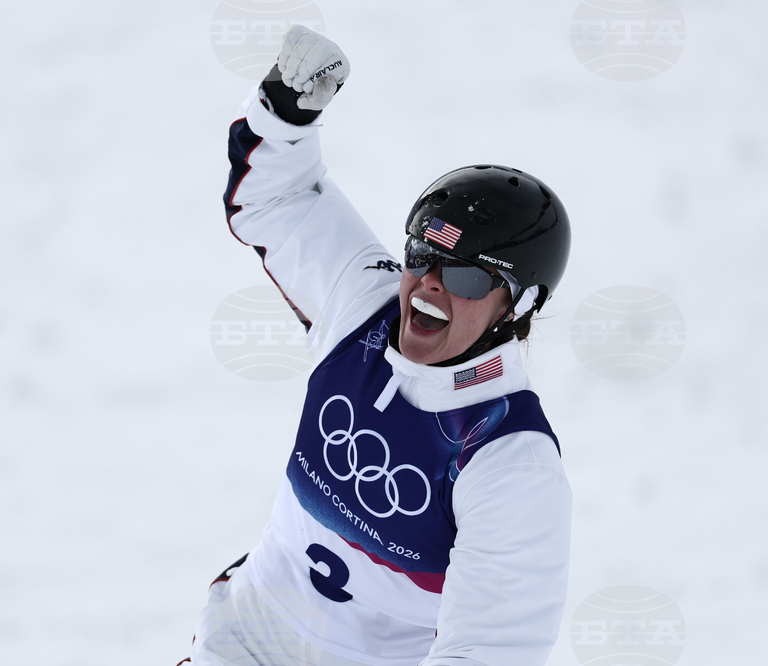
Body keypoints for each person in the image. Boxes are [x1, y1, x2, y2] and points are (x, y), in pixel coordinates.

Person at [182, 26, 572, 666]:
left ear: (519, 306)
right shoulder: (364, 303)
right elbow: (274, 199)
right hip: (244, 641)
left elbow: (489, 651)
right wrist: (287, 111)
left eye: (470, 276)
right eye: (423, 254)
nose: (429, 286)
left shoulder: (510, 461)